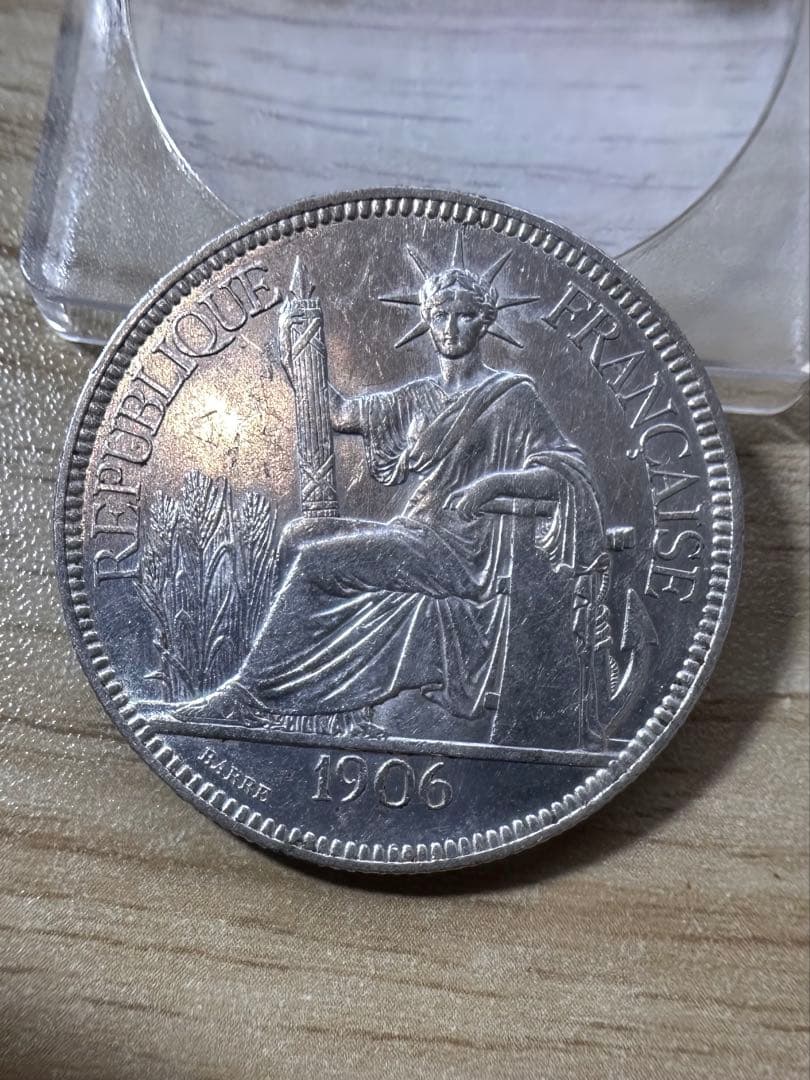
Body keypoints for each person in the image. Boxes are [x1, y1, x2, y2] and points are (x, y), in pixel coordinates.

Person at [173, 256, 605, 728]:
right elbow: (339, 414)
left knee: (315, 561)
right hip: (415, 535)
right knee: (298, 535)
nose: (450, 328)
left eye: (464, 315)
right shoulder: (417, 397)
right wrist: (300, 353)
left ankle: (248, 698)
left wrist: (492, 484)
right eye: (440, 315)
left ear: (485, 322)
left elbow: (565, 472)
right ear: (427, 320)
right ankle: (308, 695)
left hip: (461, 552)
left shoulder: (513, 397)